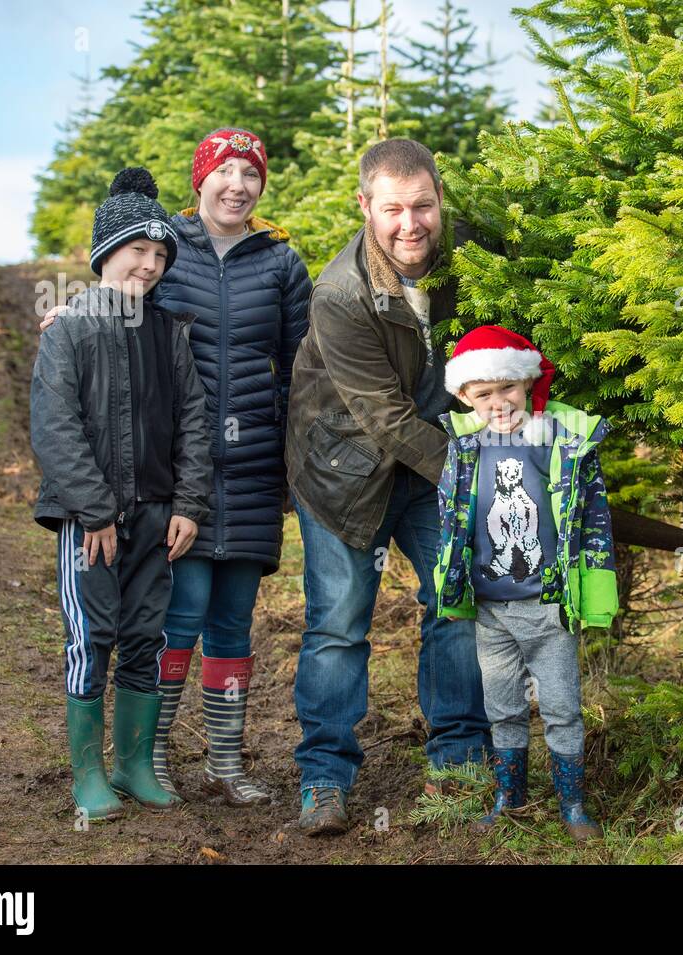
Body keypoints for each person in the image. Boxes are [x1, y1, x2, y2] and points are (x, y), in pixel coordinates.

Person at [42, 127, 311, 807]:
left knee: (231, 622)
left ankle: (224, 761)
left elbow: (302, 368)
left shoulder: (281, 263)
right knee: (169, 617)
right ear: (199, 180)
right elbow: (116, 296)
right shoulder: (169, 246)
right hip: (160, 482)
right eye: (224, 170)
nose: (237, 185)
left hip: (246, 470)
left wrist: (294, 463)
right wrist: (73, 307)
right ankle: (146, 757)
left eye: (251, 174)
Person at [285, 138, 491, 834]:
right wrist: (479, 470)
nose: (412, 225)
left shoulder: (468, 257)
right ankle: (324, 775)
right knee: (339, 624)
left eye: (424, 206)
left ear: (441, 200)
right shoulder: (341, 294)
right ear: (366, 207)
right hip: (345, 470)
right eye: (394, 209)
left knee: (455, 599)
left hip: (427, 460)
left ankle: (459, 759)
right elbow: (386, 419)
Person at [30, 167, 212, 822]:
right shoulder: (71, 329)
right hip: (90, 523)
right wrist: (95, 508)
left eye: (161, 254)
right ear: (107, 253)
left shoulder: (171, 334)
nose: (150, 263)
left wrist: (190, 503)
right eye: (139, 249)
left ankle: (135, 763)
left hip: (158, 518)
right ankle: (88, 773)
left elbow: (193, 420)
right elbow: (54, 428)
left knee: (144, 635)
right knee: (93, 634)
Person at [434, 325, 619, 841]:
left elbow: (593, 520)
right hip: (491, 607)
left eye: (508, 388)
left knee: (561, 705)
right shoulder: (466, 445)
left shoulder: (560, 439)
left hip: (549, 604)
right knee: (503, 706)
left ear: (527, 382)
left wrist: (597, 592)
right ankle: (509, 795)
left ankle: (572, 803)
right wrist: (449, 584)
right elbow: (450, 518)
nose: (498, 402)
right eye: (484, 393)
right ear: (465, 396)